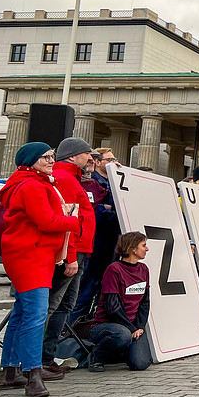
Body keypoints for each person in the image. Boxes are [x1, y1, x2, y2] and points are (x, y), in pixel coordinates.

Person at [0, 142, 83, 397]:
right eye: (45, 157)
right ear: (31, 160)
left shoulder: (30, 182)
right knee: (35, 315)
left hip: (29, 254)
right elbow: (45, 221)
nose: (51, 160)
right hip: (31, 256)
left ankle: (10, 372)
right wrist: (74, 220)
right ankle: (32, 374)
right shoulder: (32, 185)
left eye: (52, 156)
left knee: (22, 314)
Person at [42, 137, 96, 375]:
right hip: (72, 251)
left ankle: (47, 355)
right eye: (86, 153)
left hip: (78, 249)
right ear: (73, 156)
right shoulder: (64, 178)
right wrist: (71, 255)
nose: (90, 158)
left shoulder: (70, 177)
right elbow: (67, 220)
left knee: (64, 305)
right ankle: (42, 357)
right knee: (55, 305)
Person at [68, 148, 121, 326]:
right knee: (83, 291)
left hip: (106, 246)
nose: (113, 163)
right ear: (98, 163)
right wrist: (107, 210)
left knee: (100, 291)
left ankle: (86, 327)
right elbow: (95, 212)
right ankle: (70, 330)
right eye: (109, 160)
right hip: (91, 246)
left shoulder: (106, 183)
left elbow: (110, 207)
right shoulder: (89, 182)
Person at [89, 231, 152, 372]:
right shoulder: (114, 269)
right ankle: (96, 356)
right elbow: (112, 306)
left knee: (140, 364)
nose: (147, 249)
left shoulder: (144, 269)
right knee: (123, 335)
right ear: (133, 248)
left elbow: (145, 302)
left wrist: (139, 327)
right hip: (107, 326)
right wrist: (131, 329)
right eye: (143, 245)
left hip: (132, 326)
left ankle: (120, 353)